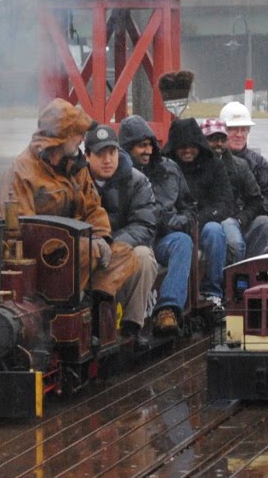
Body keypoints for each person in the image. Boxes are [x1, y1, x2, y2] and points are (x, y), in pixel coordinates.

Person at [0, 98, 137, 299]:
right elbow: (23, 228)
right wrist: (74, 243)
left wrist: (100, 236)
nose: (82, 138)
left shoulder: (75, 166)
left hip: (79, 249)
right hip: (42, 257)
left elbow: (93, 208)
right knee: (86, 251)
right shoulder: (21, 171)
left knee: (124, 254)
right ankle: (63, 303)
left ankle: (90, 307)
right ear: (61, 138)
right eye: (78, 133)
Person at [118, 115, 196, 335]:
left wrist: (173, 222)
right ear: (126, 147)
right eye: (140, 146)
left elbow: (189, 208)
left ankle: (168, 310)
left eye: (150, 145)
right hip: (133, 240)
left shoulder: (170, 169)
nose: (148, 151)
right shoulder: (117, 174)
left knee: (183, 242)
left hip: (162, 238)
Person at [84, 124, 158, 350]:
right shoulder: (76, 181)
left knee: (144, 257)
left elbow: (145, 225)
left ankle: (133, 326)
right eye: (100, 154)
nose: (107, 159)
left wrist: (112, 245)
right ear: (86, 156)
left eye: (112, 152)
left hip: (123, 247)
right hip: (87, 249)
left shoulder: (137, 181)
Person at [163, 117, 234, 310]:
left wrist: (199, 219)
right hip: (174, 224)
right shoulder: (164, 167)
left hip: (205, 221)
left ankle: (213, 291)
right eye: (182, 146)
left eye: (192, 146)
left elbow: (225, 202)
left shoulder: (215, 165)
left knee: (215, 231)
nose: (187, 151)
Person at [201, 117, 268, 261]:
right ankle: (227, 279)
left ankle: (251, 272)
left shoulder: (242, 165)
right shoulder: (194, 165)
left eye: (222, 139)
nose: (218, 144)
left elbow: (259, 199)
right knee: (232, 241)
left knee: (265, 223)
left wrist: (241, 219)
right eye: (213, 139)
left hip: (234, 218)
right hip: (208, 222)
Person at [218, 101, 268, 224]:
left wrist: (245, 216)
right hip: (218, 223)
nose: (239, 134)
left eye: (244, 129)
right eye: (233, 129)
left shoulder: (259, 164)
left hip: (249, 222)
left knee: (265, 224)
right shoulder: (211, 161)